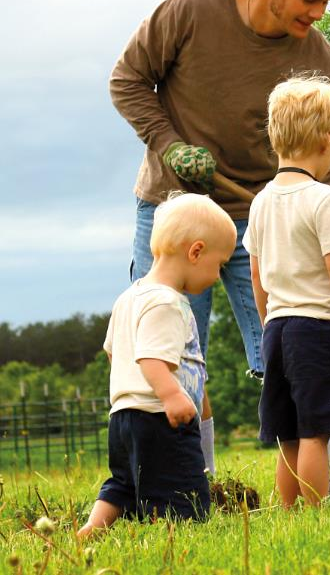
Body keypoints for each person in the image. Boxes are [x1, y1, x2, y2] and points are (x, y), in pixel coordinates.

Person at [109, 0, 330, 473]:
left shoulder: (319, 62)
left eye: (326, 3)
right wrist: (170, 146)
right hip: (175, 210)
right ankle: (193, 478)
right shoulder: (190, 12)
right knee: (165, 347)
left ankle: (308, 478)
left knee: (289, 346)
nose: (318, 14)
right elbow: (127, 79)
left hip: (264, 218)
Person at [245, 76, 330, 506]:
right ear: (328, 140)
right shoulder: (326, 199)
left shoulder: (261, 201)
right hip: (317, 329)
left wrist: (268, 323)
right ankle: (315, 510)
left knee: (288, 433)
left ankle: (289, 513)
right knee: (315, 432)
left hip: (278, 331)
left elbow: (256, 273)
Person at [79, 194, 237, 538]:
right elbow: (151, 358)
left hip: (123, 417)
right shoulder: (167, 302)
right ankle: (177, 539)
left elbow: (113, 352)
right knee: (183, 491)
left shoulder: (129, 297)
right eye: (219, 264)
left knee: (123, 483)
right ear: (195, 252)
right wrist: (171, 395)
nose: (217, 276)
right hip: (160, 417)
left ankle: (93, 528)